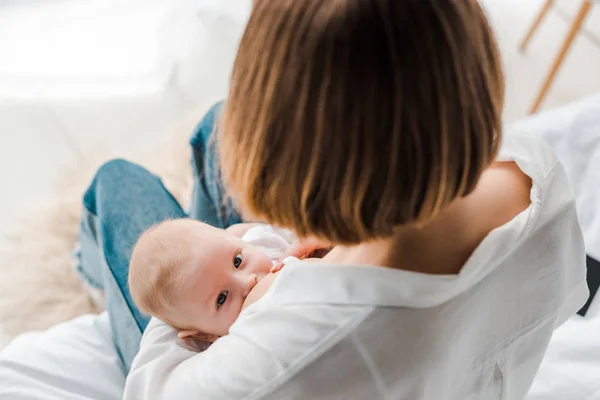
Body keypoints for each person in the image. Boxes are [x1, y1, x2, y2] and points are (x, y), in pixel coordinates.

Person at [75, 0, 588, 398]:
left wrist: (199, 307)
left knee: (116, 183)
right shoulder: (533, 172)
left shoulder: (279, 353)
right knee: (215, 124)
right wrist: (331, 240)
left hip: (218, 325)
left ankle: (98, 275)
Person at [128, 219, 295, 339]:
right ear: (205, 335)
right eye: (221, 298)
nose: (248, 282)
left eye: (237, 261)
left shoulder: (267, 243)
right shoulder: (240, 347)